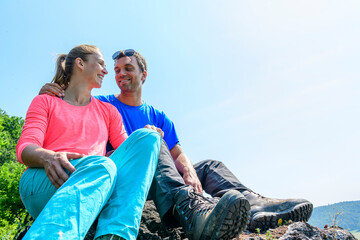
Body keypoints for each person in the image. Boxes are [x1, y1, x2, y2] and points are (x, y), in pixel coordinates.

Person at [41, 49, 313, 236]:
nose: (120, 74)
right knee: (153, 142)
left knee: (209, 165)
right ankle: (193, 213)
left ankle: (254, 205)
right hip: (130, 178)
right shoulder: (103, 104)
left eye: (128, 68)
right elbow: (76, 102)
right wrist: (53, 90)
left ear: (143, 75)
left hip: (165, 178)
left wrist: (190, 172)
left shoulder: (159, 115)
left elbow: (179, 153)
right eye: (115, 70)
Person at [17, 45, 163, 240]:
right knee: (102, 165)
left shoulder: (109, 111)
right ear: (80, 64)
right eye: (101, 64)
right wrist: (48, 157)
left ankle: (114, 234)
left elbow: (128, 155)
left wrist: (148, 135)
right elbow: (25, 149)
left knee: (148, 138)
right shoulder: (46, 101)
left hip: (96, 180)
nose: (106, 70)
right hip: (47, 180)